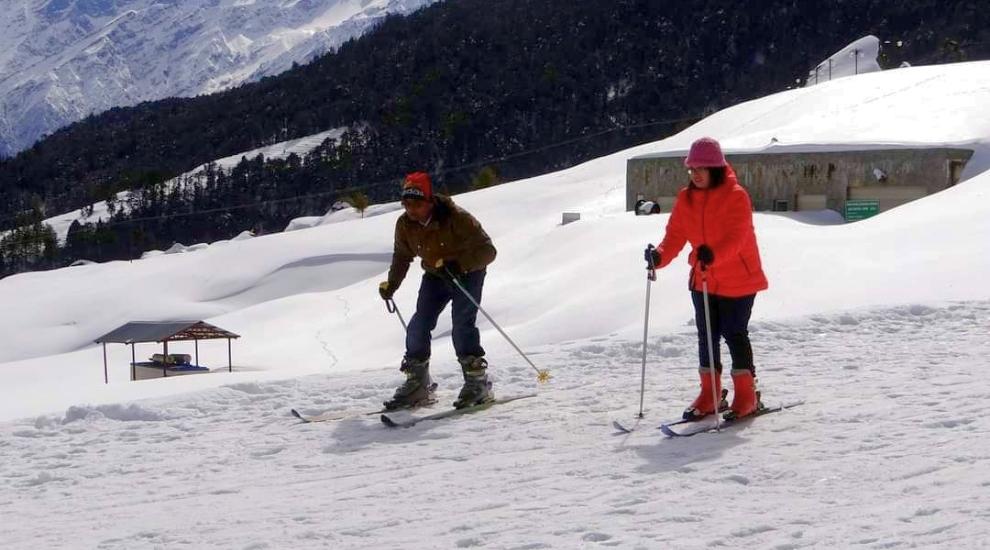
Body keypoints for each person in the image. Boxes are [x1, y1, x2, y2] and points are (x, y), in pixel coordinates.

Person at [644, 137, 769, 420]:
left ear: (716, 168)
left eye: (702, 168)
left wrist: (713, 254)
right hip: (703, 277)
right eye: (692, 169)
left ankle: (747, 395)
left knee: (734, 333)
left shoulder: (736, 195)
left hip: (738, 279)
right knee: (707, 335)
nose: (696, 173)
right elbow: (675, 236)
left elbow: (738, 237)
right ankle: (710, 394)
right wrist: (660, 257)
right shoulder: (685, 199)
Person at [378, 172, 498, 410]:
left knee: (462, 325)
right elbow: (402, 256)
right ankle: (418, 383)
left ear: (430, 201)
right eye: (406, 204)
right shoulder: (405, 225)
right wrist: (392, 284)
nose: (411, 209)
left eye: (417, 204)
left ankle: (477, 382)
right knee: (419, 325)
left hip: (468, 275)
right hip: (435, 275)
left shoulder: (458, 218)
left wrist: (460, 264)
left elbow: (488, 251)